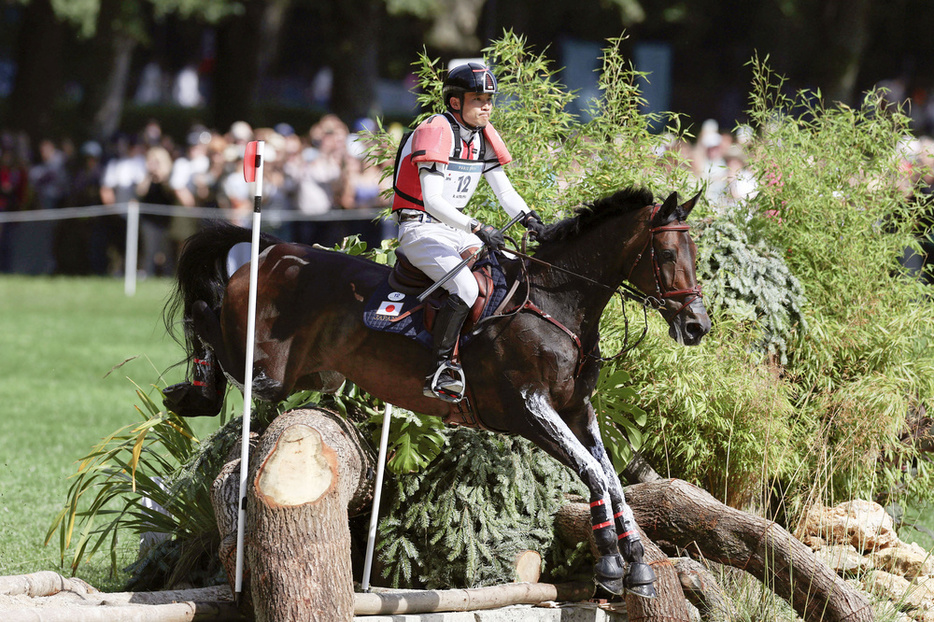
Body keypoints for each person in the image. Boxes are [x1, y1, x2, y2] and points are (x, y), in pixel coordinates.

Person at [391, 62, 546, 403]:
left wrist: (531, 219)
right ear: (456, 102)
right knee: (464, 286)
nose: (487, 106)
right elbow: (431, 201)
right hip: (420, 229)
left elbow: (505, 193)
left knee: (509, 265)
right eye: (478, 99)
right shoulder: (435, 129)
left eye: (489, 98)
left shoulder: (483, 135)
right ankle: (441, 368)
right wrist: (478, 227)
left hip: (455, 229)